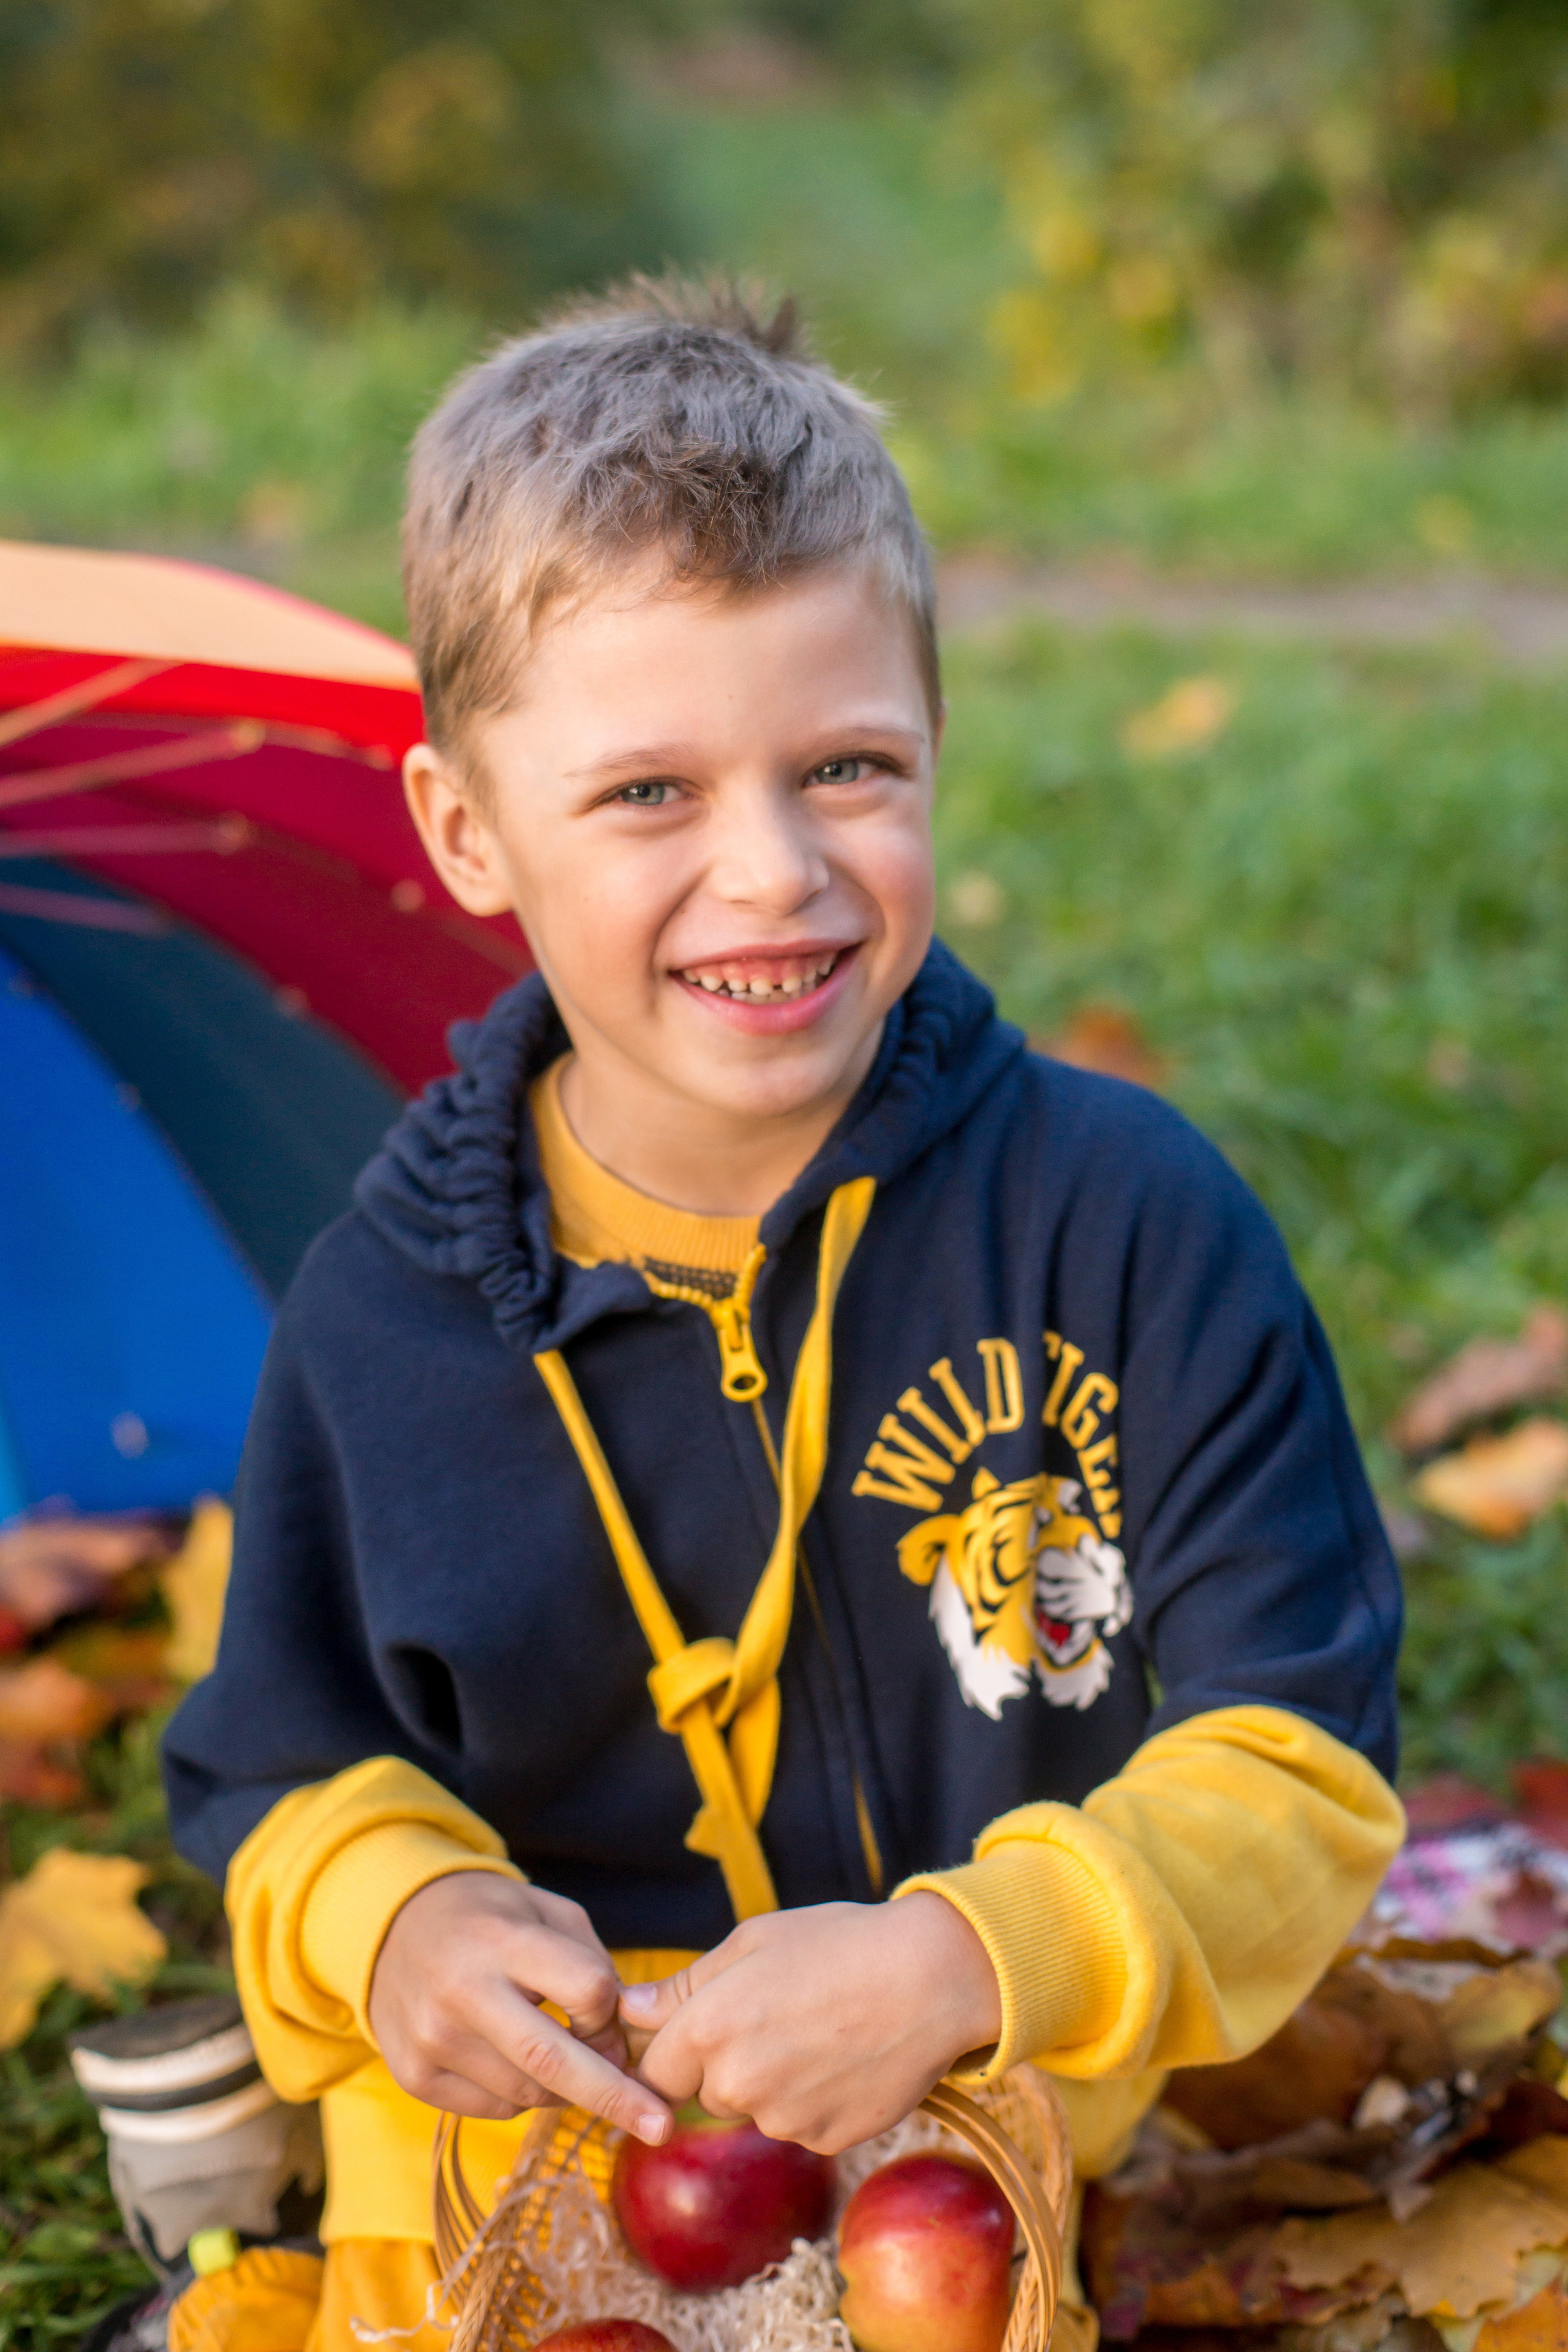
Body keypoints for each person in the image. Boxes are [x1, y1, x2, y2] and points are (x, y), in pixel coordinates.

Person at [159, 276, 1404, 2352]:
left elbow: (1301, 1757)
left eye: (845, 767)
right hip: (562, 2137)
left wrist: (968, 1957)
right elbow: (282, 1767)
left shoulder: (1126, 1221)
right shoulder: (386, 1317)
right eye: (647, 795)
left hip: (985, 2097)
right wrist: (404, 1920)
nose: (774, 877)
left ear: (932, 749)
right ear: (468, 829)